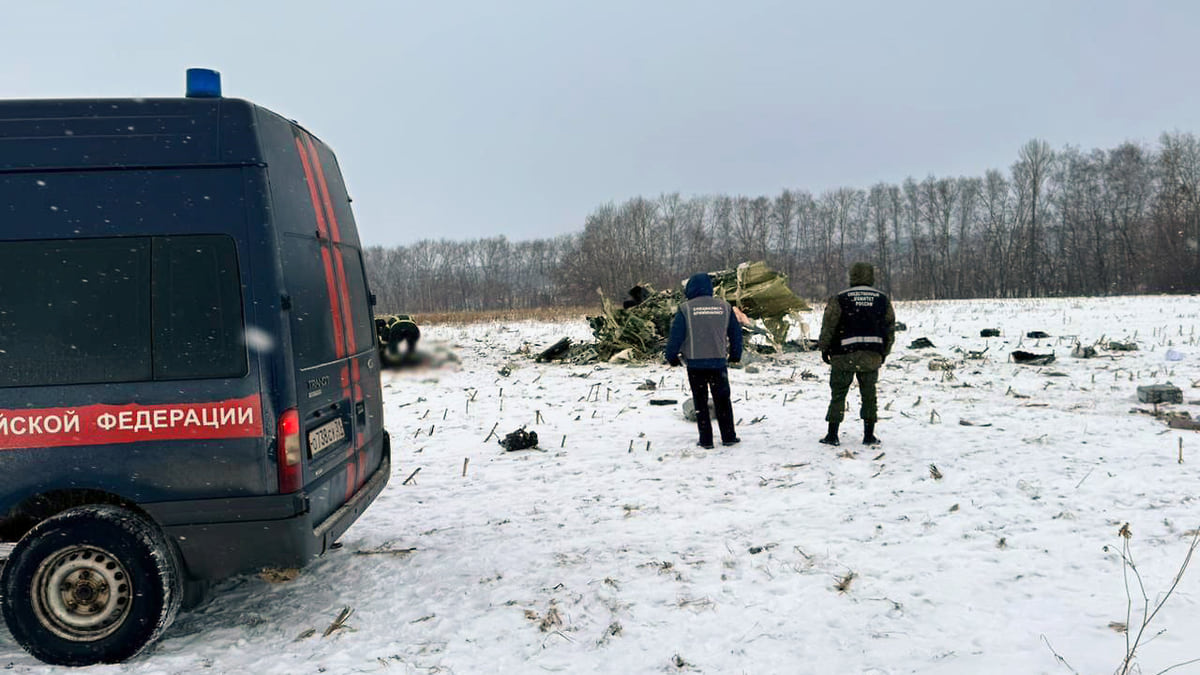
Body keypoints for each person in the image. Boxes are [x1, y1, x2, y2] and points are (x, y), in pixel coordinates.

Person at [818, 262, 895, 446]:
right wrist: (884, 353)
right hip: (871, 356)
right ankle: (869, 435)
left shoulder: (840, 298)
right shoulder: (882, 299)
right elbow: (889, 330)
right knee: (869, 395)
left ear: (852, 276)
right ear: (871, 276)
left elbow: (829, 326)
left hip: (843, 355)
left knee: (838, 394)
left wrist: (824, 348)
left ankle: (832, 435)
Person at [665, 273, 743, 449]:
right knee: (723, 401)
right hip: (718, 363)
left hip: (695, 364)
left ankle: (706, 440)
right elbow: (736, 334)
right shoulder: (725, 307)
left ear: (690, 288)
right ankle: (729, 436)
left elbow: (675, 336)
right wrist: (736, 355)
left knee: (700, 403)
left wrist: (671, 357)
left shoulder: (685, 309)